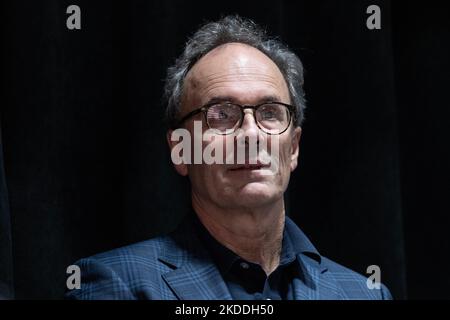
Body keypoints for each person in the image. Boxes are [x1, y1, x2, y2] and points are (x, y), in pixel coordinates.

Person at [65, 15, 392, 300]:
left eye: (269, 112)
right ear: (180, 150)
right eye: (220, 114)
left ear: (292, 148)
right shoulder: (115, 284)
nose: (251, 133)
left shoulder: (365, 293)